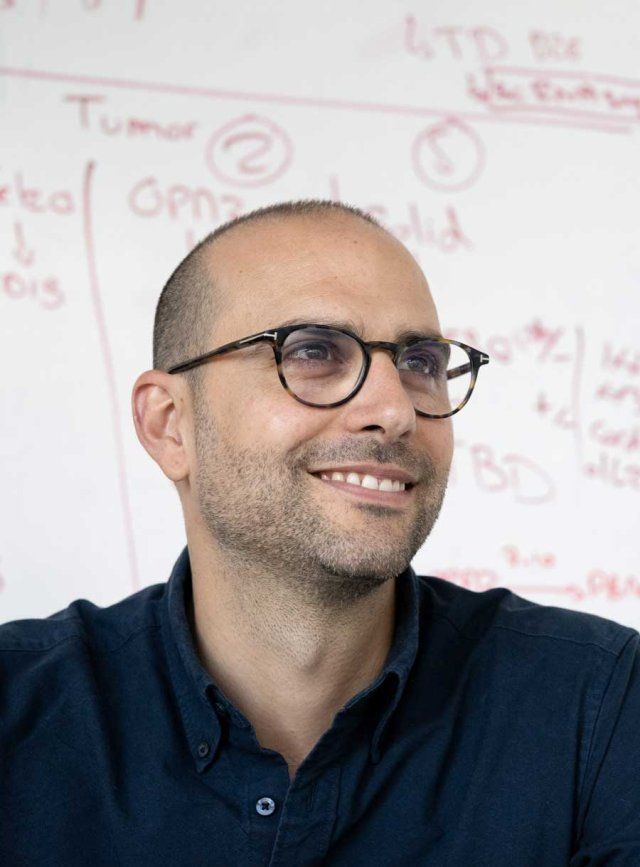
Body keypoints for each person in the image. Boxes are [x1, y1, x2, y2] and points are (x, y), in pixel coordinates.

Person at [1, 200, 638, 866]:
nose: (394, 410)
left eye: (420, 362)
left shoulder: (596, 709)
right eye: (313, 351)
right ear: (169, 424)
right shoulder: (19, 711)